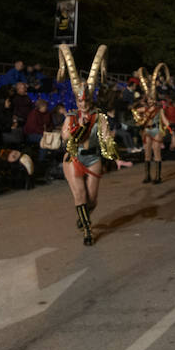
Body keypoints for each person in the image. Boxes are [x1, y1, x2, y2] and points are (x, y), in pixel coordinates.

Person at [57, 44, 117, 246]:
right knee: (80, 195)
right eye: (80, 101)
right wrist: (75, 129)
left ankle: (83, 215)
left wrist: (114, 151)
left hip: (93, 158)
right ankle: (88, 231)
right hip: (74, 157)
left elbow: (106, 137)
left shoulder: (99, 117)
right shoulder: (71, 116)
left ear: (90, 99)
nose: (83, 104)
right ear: (76, 100)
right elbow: (65, 137)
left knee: (92, 200)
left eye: (86, 101)